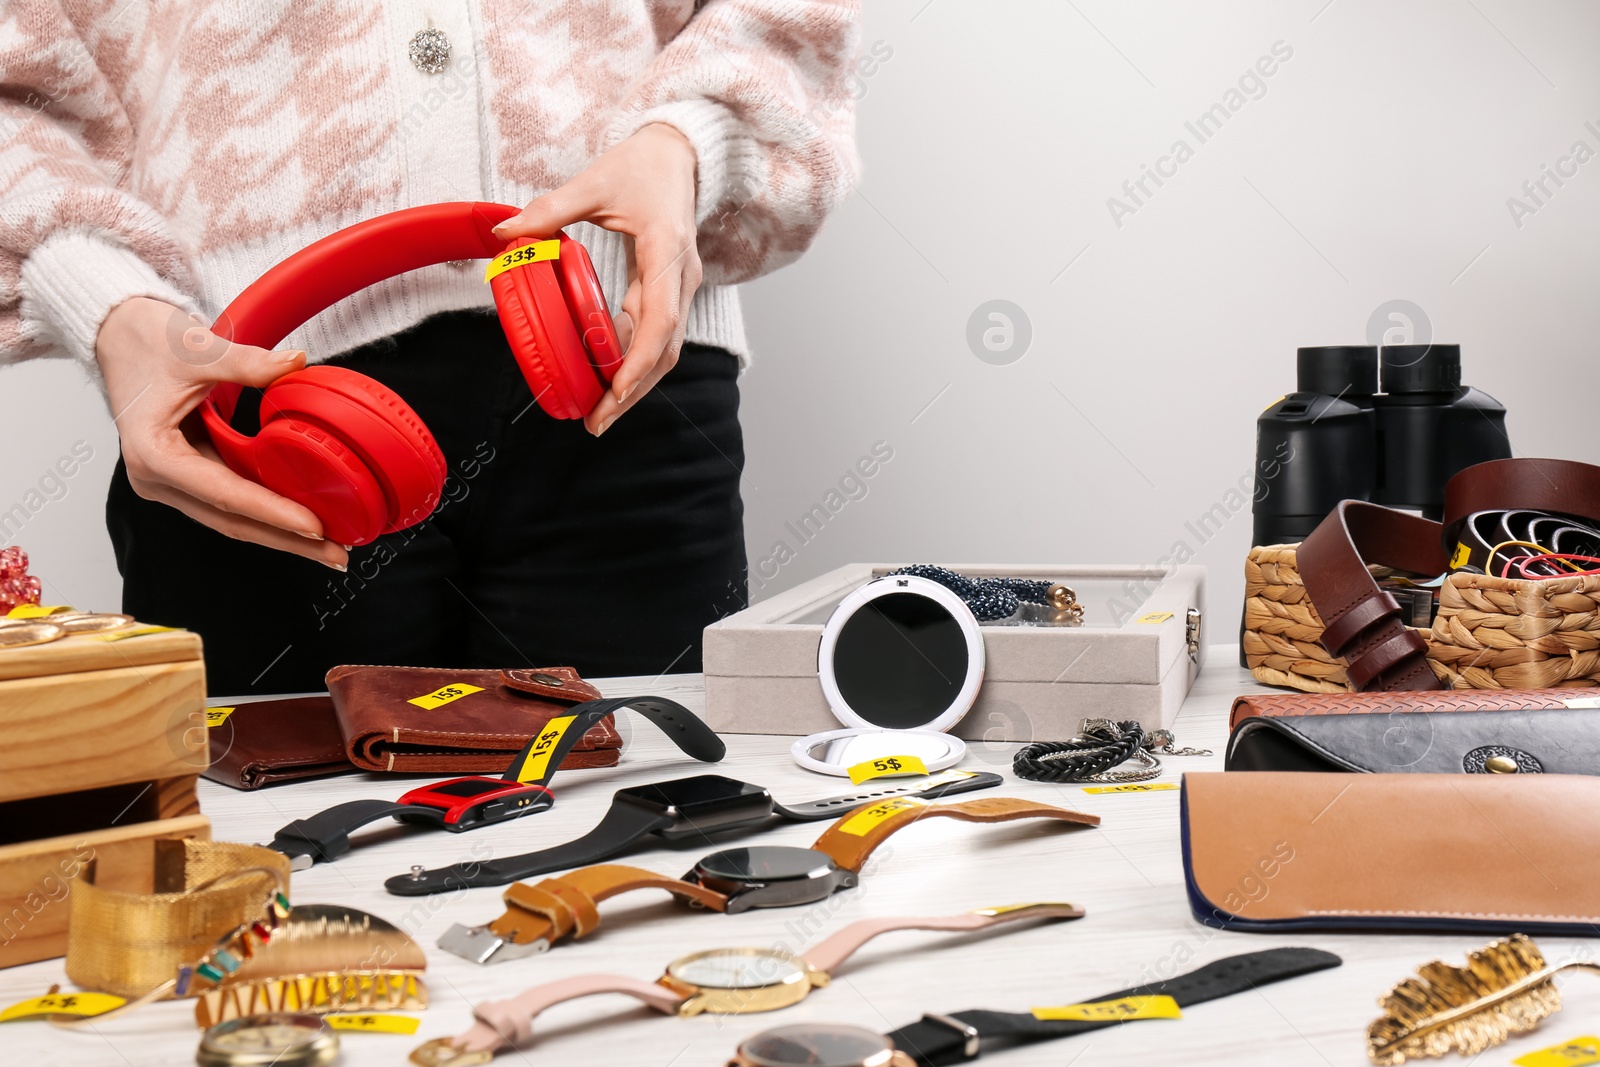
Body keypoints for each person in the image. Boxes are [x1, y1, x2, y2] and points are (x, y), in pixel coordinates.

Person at [0, 1, 860, 694]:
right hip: (267, 428)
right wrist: (99, 298)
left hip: (616, 363)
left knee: (654, 836)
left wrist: (688, 142)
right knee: (274, 874)